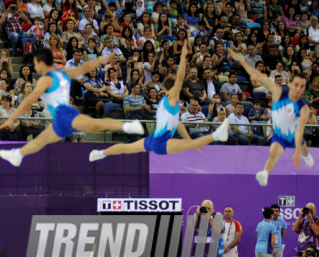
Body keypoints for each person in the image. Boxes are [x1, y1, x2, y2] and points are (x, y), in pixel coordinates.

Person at [0, 49, 144, 167]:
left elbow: (28, 100)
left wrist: (12, 117)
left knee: (94, 124)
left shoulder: (46, 79)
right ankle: (17, 155)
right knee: (40, 141)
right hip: (59, 120)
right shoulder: (63, 73)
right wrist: (100, 60)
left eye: (35, 64)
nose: (35, 67)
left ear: (41, 63)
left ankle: (129, 126)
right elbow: (84, 67)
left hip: (64, 113)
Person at [90, 43, 230, 162]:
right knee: (187, 144)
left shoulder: (164, 102)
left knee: (127, 148)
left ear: (163, 87)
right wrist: (182, 57)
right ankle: (216, 135)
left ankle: (101, 153)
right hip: (161, 142)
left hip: (152, 139)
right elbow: (180, 77)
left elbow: (178, 123)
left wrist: (190, 141)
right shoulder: (170, 100)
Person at [229, 50, 315, 186]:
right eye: (296, 85)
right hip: (279, 135)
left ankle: (307, 155)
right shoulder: (278, 92)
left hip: (293, 134)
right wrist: (242, 61)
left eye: (302, 86)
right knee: (274, 154)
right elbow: (258, 76)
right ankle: (264, 174)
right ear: (291, 84)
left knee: (304, 150)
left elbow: (300, 129)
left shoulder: (303, 106)